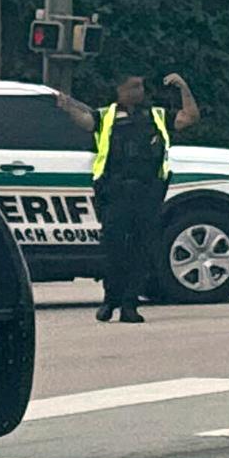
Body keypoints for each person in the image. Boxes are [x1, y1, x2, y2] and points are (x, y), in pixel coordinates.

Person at [53, 71, 199, 322]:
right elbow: (85, 121)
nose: (138, 92)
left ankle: (130, 305)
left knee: (141, 251)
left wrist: (184, 87)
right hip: (115, 193)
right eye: (133, 87)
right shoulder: (105, 116)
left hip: (147, 193)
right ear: (119, 91)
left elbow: (190, 117)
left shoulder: (157, 115)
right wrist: (68, 107)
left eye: (140, 87)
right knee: (114, 251)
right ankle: (110, 301)